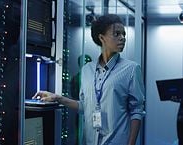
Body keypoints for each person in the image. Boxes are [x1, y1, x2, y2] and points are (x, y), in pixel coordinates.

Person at [33, 14, 145, 145]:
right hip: (90, 141)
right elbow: (84, 106)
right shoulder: (87, 70)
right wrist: (58, 98)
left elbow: (137, 111)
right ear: (101, 37)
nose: (122, 38)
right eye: (116, 34)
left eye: (123, 34)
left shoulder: (131, 69)